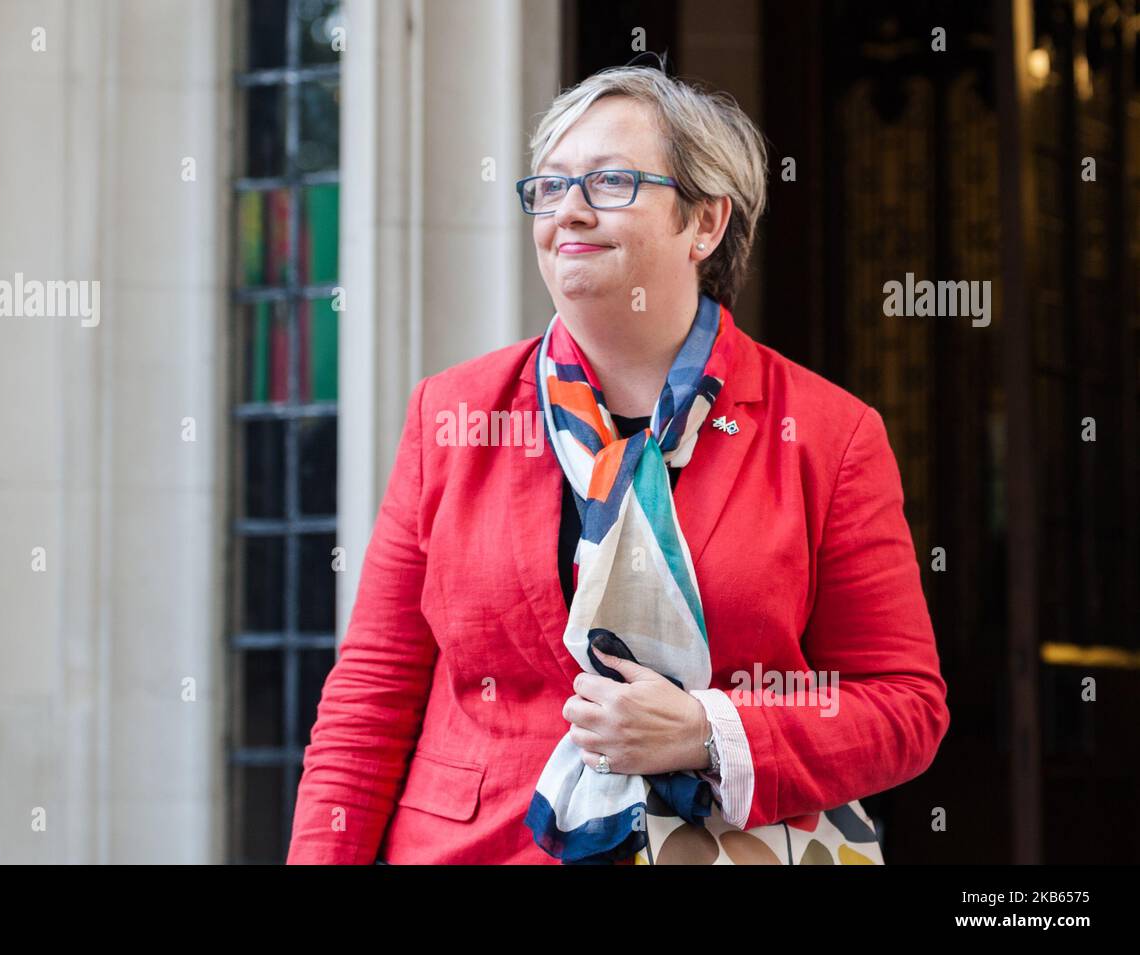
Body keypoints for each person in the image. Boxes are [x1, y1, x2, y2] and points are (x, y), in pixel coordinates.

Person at [287, 64, 949, 865]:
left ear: (704, 222)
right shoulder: (450, 416)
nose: (568, 209)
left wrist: (711, 730)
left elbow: (905, 707)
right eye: (550, 185)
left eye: (608, 181)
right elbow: (370, 700)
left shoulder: (830, 434)